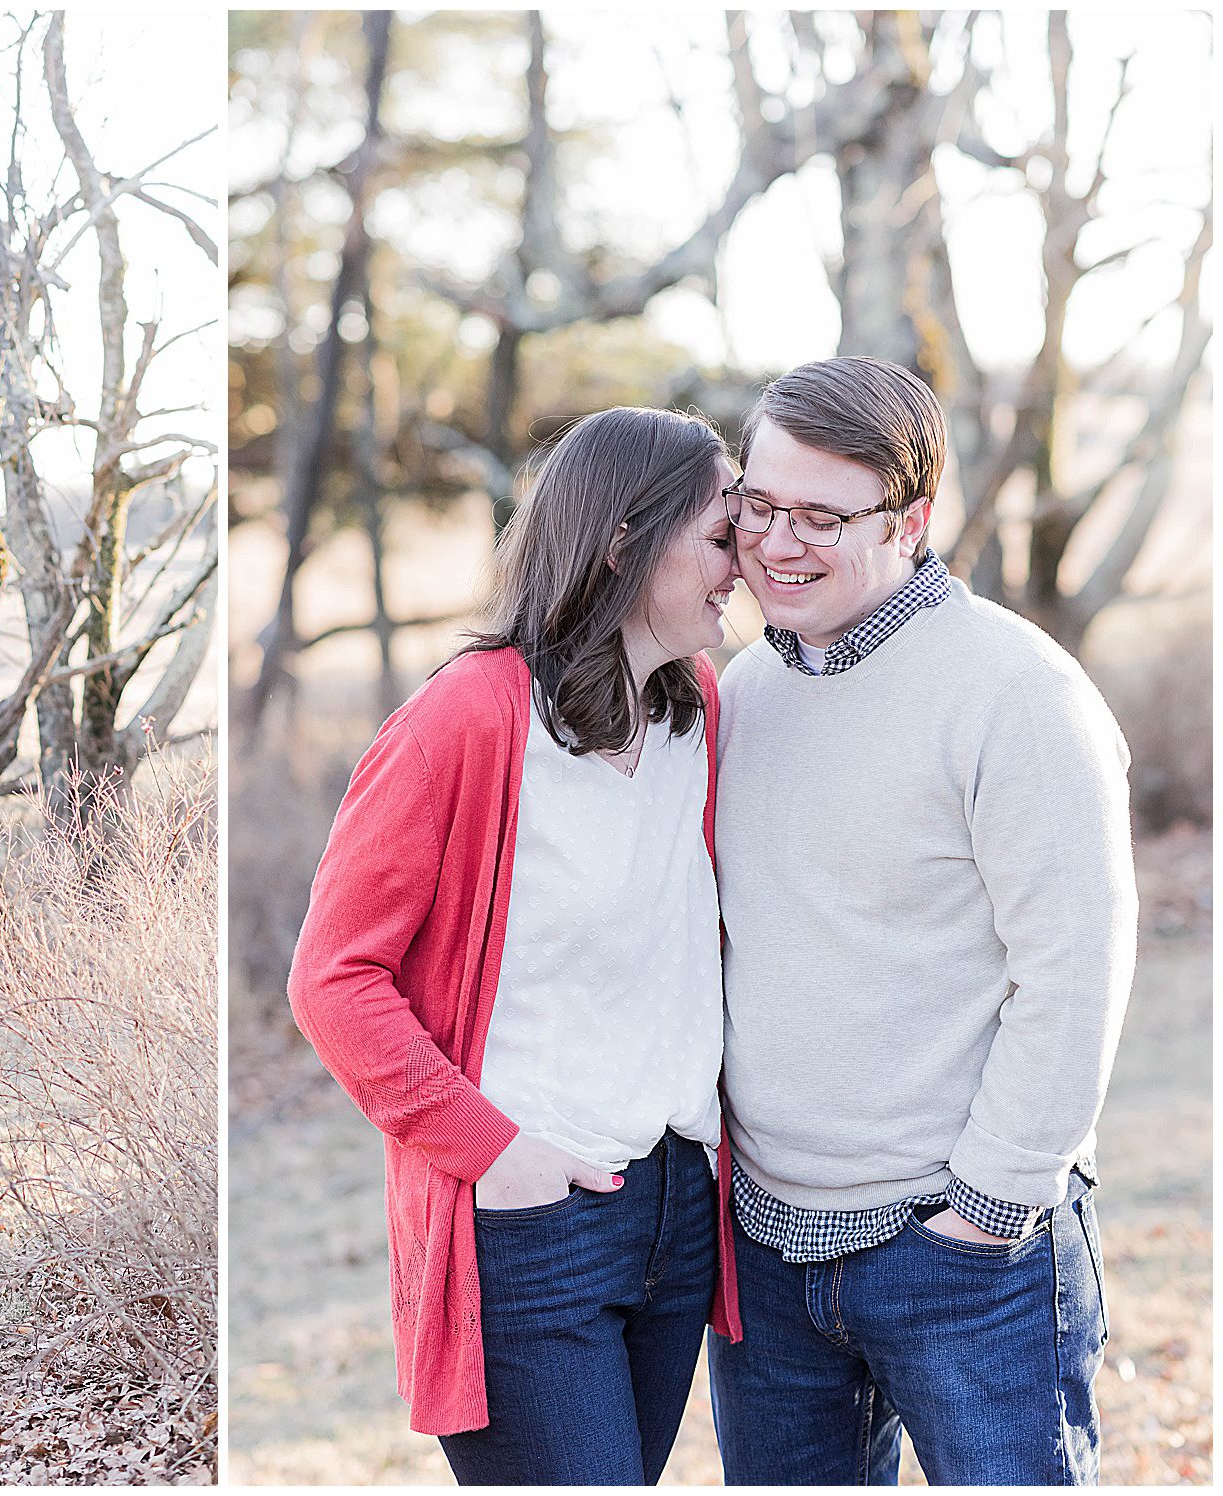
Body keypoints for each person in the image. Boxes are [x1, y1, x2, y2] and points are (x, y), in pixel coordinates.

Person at [289, 407, 747, 1485]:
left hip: (679, 1208)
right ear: (622, 540)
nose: (747, 562)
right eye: (723, 535)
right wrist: (491, 1151)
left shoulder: (698, 714)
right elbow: (331, 977)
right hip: (533, 1219)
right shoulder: (467, 720)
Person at [707, 356, 1137, 1485]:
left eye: (818, 515)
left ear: (909, 520)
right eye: (756, 504)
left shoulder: (1014, 693)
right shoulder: (737, 694)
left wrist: (989, 1208)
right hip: (762, 1250)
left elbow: (1073, 968)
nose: (775, 542)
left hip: (958, 1250)